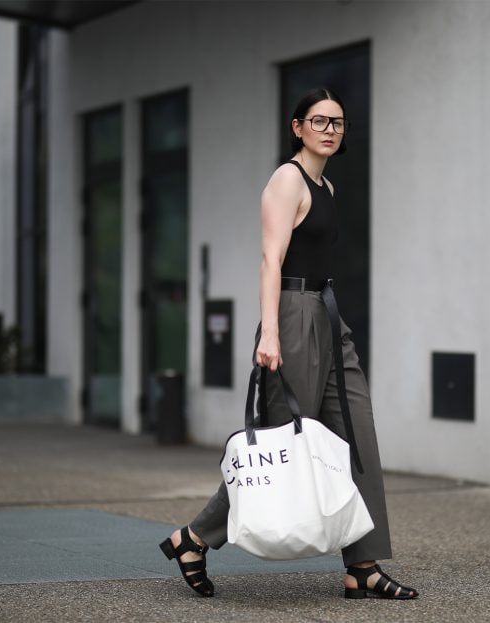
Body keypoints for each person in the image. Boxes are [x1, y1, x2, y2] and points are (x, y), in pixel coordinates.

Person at [159, 88, 418, 600]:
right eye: (319, 121)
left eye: (338, 123)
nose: (330, 129)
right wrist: (271, 331)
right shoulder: (287, 179)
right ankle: (193, 539)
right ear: (297, 126)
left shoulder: (328, 187)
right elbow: (270, 261)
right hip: (293, 315)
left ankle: (362, 564)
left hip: (326, 313)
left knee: (357, 436)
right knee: (282, 445)